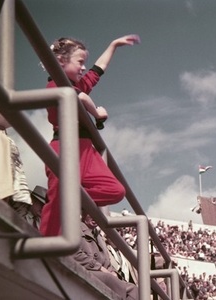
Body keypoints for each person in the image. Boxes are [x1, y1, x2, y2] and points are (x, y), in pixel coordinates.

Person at [40, 34, 140, 236]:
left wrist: (113, 44)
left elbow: (97, 70)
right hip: (65, 148)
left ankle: (77, 201)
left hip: (86, 149)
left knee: (116, 190)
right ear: (61, 60)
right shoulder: (55, 84)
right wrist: (98, 114)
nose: (83, 67)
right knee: (57, 200)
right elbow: (81, 97)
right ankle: (47, 246)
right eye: (80, 62)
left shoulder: (77, 84)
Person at [74, 211, 139, 300]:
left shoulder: (98, 235)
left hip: (102, 272)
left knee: (134, 289)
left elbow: (106, 260)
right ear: (84, 213)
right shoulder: (76, 229)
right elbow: (76, 255)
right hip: (88, 271)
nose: (94, 217)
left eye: (97, 214)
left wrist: (113, 272)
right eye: (91, 213)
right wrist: (101, 268)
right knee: (113, 281)